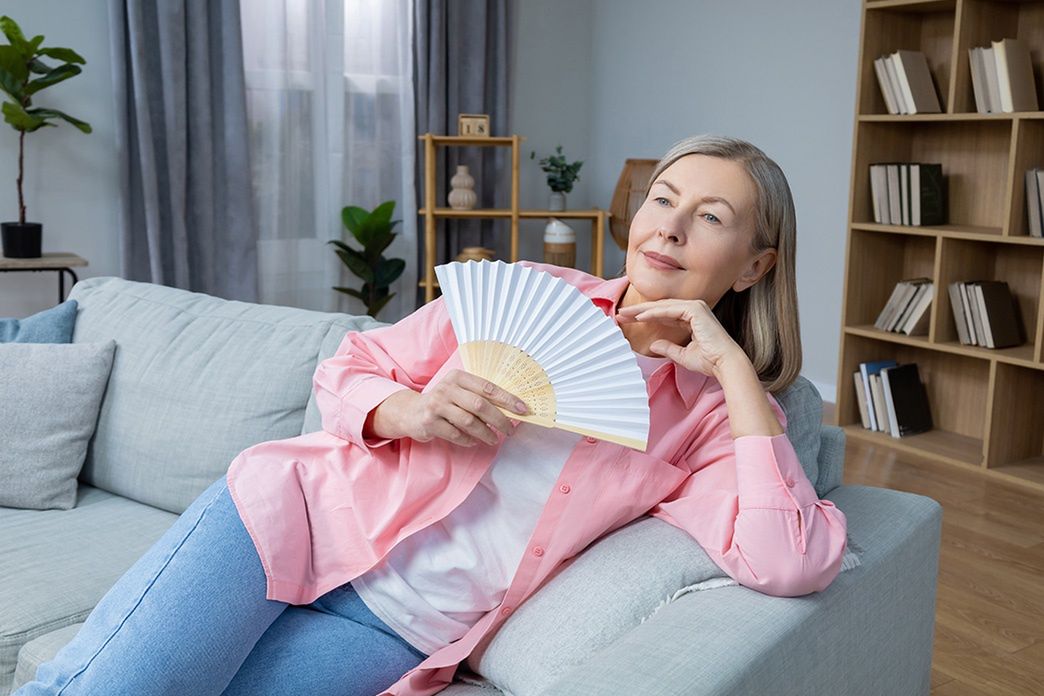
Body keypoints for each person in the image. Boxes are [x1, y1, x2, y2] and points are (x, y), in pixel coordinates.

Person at [17, 134, 848, 696]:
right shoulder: (530, 294)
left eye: (710, 217)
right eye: (661, 199)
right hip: (290, 522)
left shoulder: (712, 421)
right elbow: (350, 365)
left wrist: (736, 373)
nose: (667, 226)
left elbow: (789, 560)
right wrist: (410, 410)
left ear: (754, 265)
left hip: (398, 628)